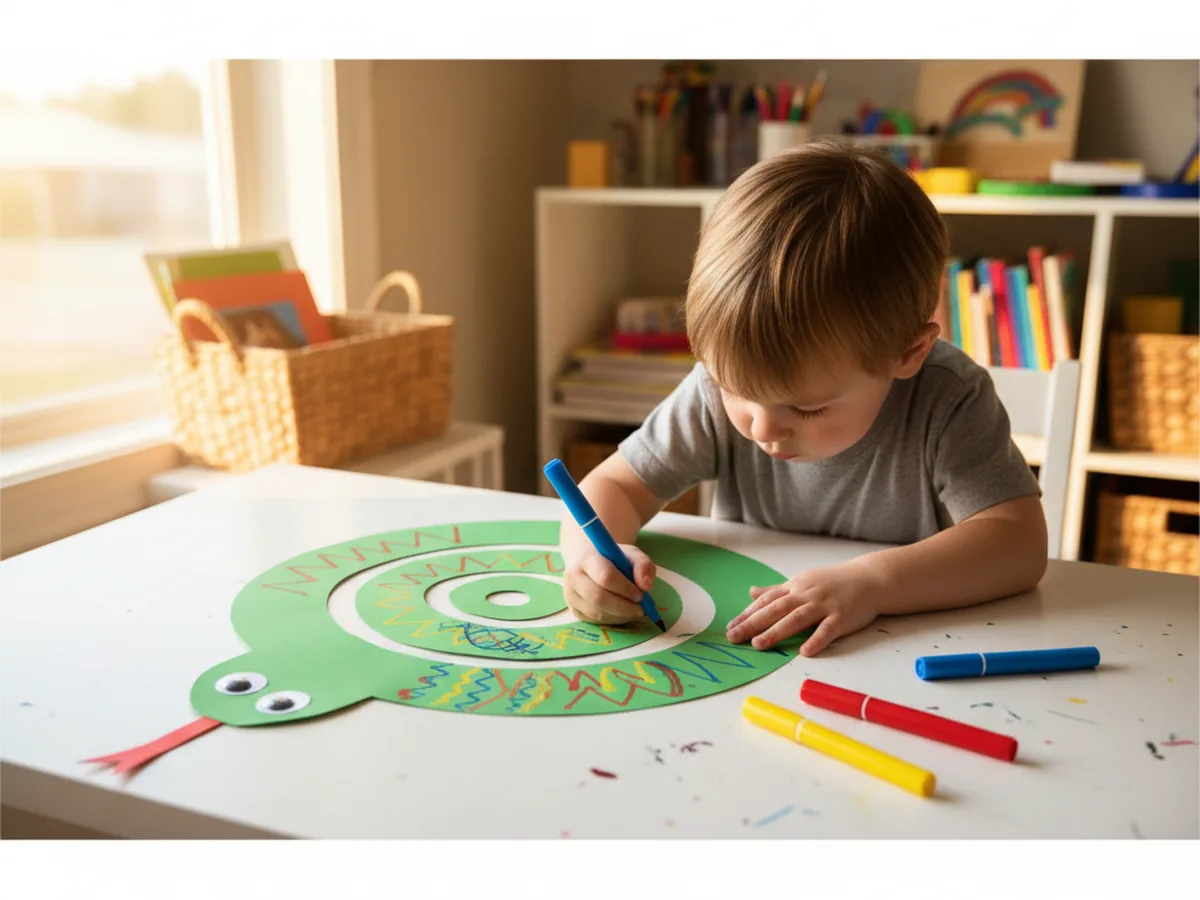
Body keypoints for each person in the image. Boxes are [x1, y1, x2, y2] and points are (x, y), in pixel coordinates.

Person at [558, 140, 1048, 658]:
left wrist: (874, 582)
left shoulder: (947, 398)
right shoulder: (714, 387)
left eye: (807, 407)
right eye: (737, 391)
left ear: (909, 353)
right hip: (750, 659)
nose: (763, 429)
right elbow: (614, 486)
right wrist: (591, 556)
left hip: (901, 655)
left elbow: (1017, 543)